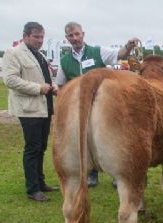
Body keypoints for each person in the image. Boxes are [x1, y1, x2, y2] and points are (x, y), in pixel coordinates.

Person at [55, 21, 139, 187]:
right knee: (85, 137)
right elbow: (61, 86)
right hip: (80, 107)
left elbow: (119, 54)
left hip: (104, 104)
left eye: (77, 34)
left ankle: (117, 173)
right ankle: (91, 173)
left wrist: (128, 46)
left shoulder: (97, 52)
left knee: (113, 136)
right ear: (67, 38)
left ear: (83, 34)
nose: (75, 38)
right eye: (71, 36)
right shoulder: (64, 61)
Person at [2, 22, 58, 202]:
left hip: (44, 107)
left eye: (42, 37)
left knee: (41, 146)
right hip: (29, 109)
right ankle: (32, 189)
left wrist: (53, 86)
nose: (40, 40)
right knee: (33, 148)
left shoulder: (40, 54)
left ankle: (40, 183)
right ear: (25, 36)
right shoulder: (14, 53)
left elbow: (45, 76)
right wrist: (38, 88)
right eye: (36, 37)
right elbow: (10, 80)